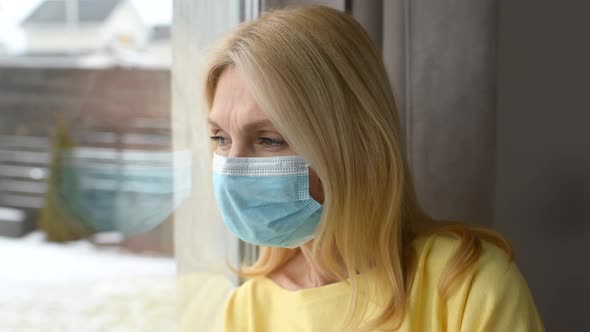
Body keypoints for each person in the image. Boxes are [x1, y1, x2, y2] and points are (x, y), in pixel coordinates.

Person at [203, 5, 544, 332]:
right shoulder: (245, 310)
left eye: (269, 139)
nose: (232, 167)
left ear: (356, 143)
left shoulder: (468, 285)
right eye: (220, 138)